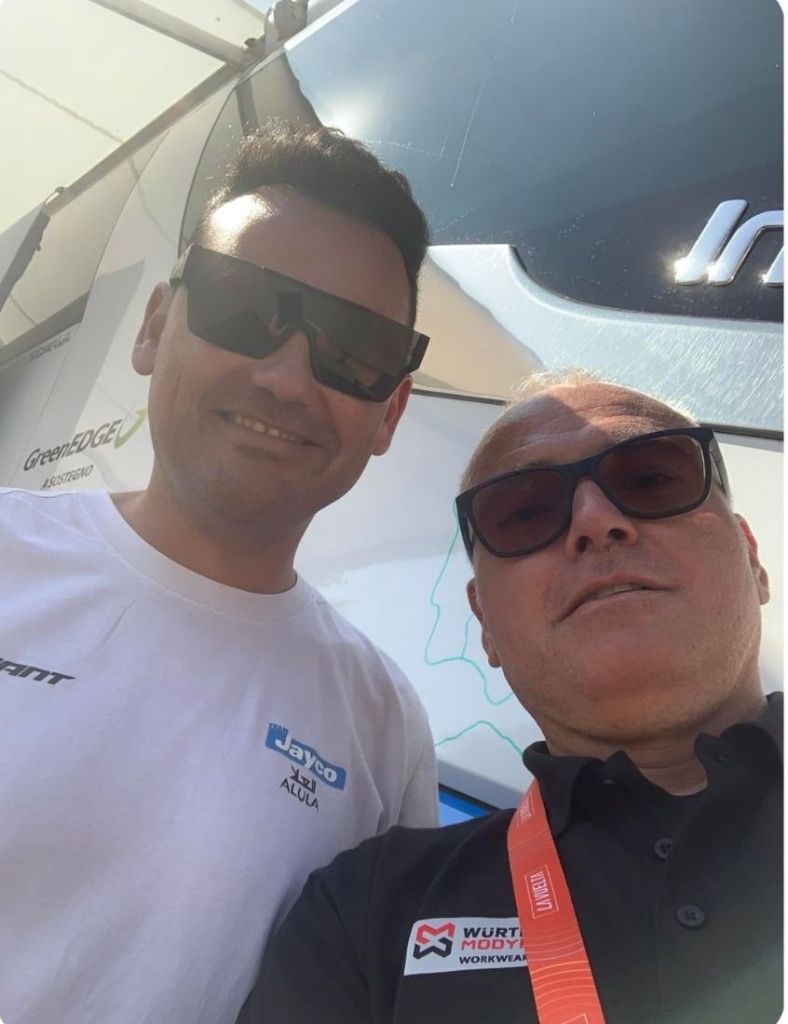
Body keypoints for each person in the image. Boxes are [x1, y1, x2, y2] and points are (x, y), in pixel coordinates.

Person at [0, 123, 439, 1024]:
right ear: (155, 325)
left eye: (353, 349)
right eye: (247, 304)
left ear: (389, 413)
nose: (287, 377)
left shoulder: (384, 727)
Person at [241, 371, 781, 1024]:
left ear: (752, 558)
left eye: (650, 479)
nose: (597, 521)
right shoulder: (361, 917)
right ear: (485, 624)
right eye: (525, 513)